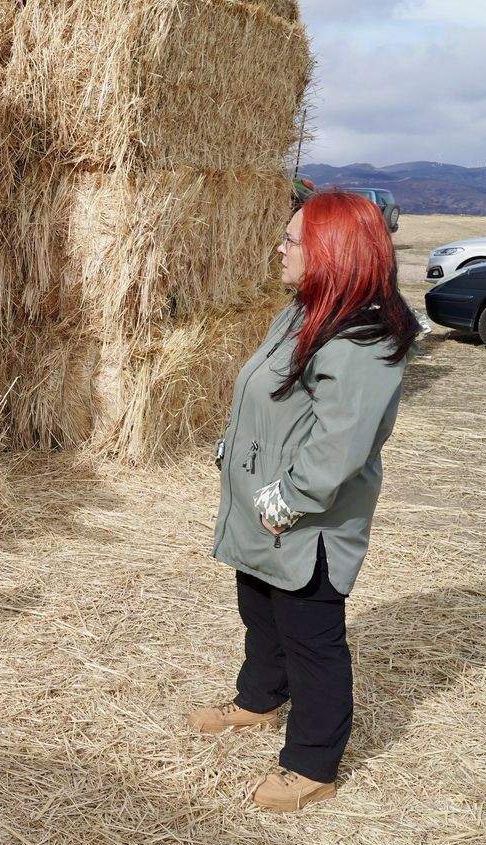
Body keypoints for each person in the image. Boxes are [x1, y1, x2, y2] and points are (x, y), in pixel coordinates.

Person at [192, 191, 419, 812]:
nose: (281, 247)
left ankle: (313, 760)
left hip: (304, 519)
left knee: (311, 637)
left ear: (332, 252)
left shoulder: (364, 335)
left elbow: (340, 443)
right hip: (263, 505)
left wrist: (289, 498)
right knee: (259, 607)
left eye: (293, 240)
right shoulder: (306, 310)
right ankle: (260, 701)